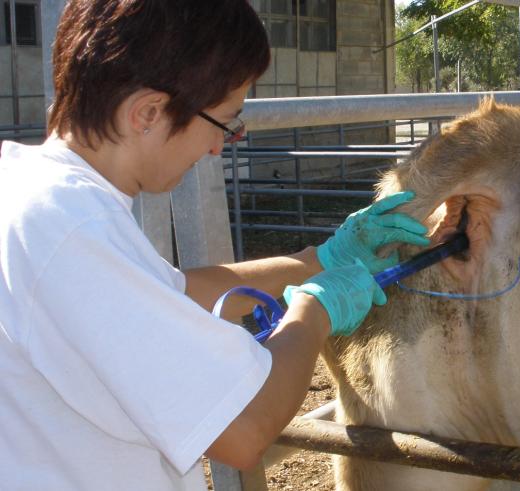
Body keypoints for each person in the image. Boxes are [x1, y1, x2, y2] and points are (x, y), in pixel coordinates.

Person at [0, 1, 429, 489]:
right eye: (224, 123)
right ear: (148, 112)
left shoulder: (30, 189)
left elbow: (175, 293)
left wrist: (318, 260)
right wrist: (315, 310)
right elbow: (244, 430)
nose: (216, 148)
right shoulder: (68, 228)